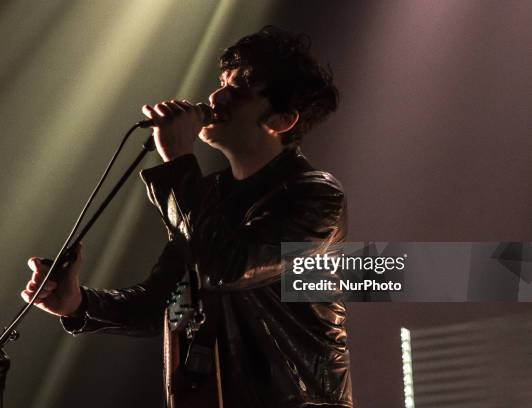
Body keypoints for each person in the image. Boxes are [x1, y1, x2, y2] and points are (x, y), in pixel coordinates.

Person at [21, 26, 352, 408]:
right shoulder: (207, 194)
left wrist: (178, 161)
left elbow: (227, 266)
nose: (216, 96)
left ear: (281, 120)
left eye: (241, 87)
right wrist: (79, 304)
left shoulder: (317, 196)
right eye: (222, 81)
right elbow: (164, 303)